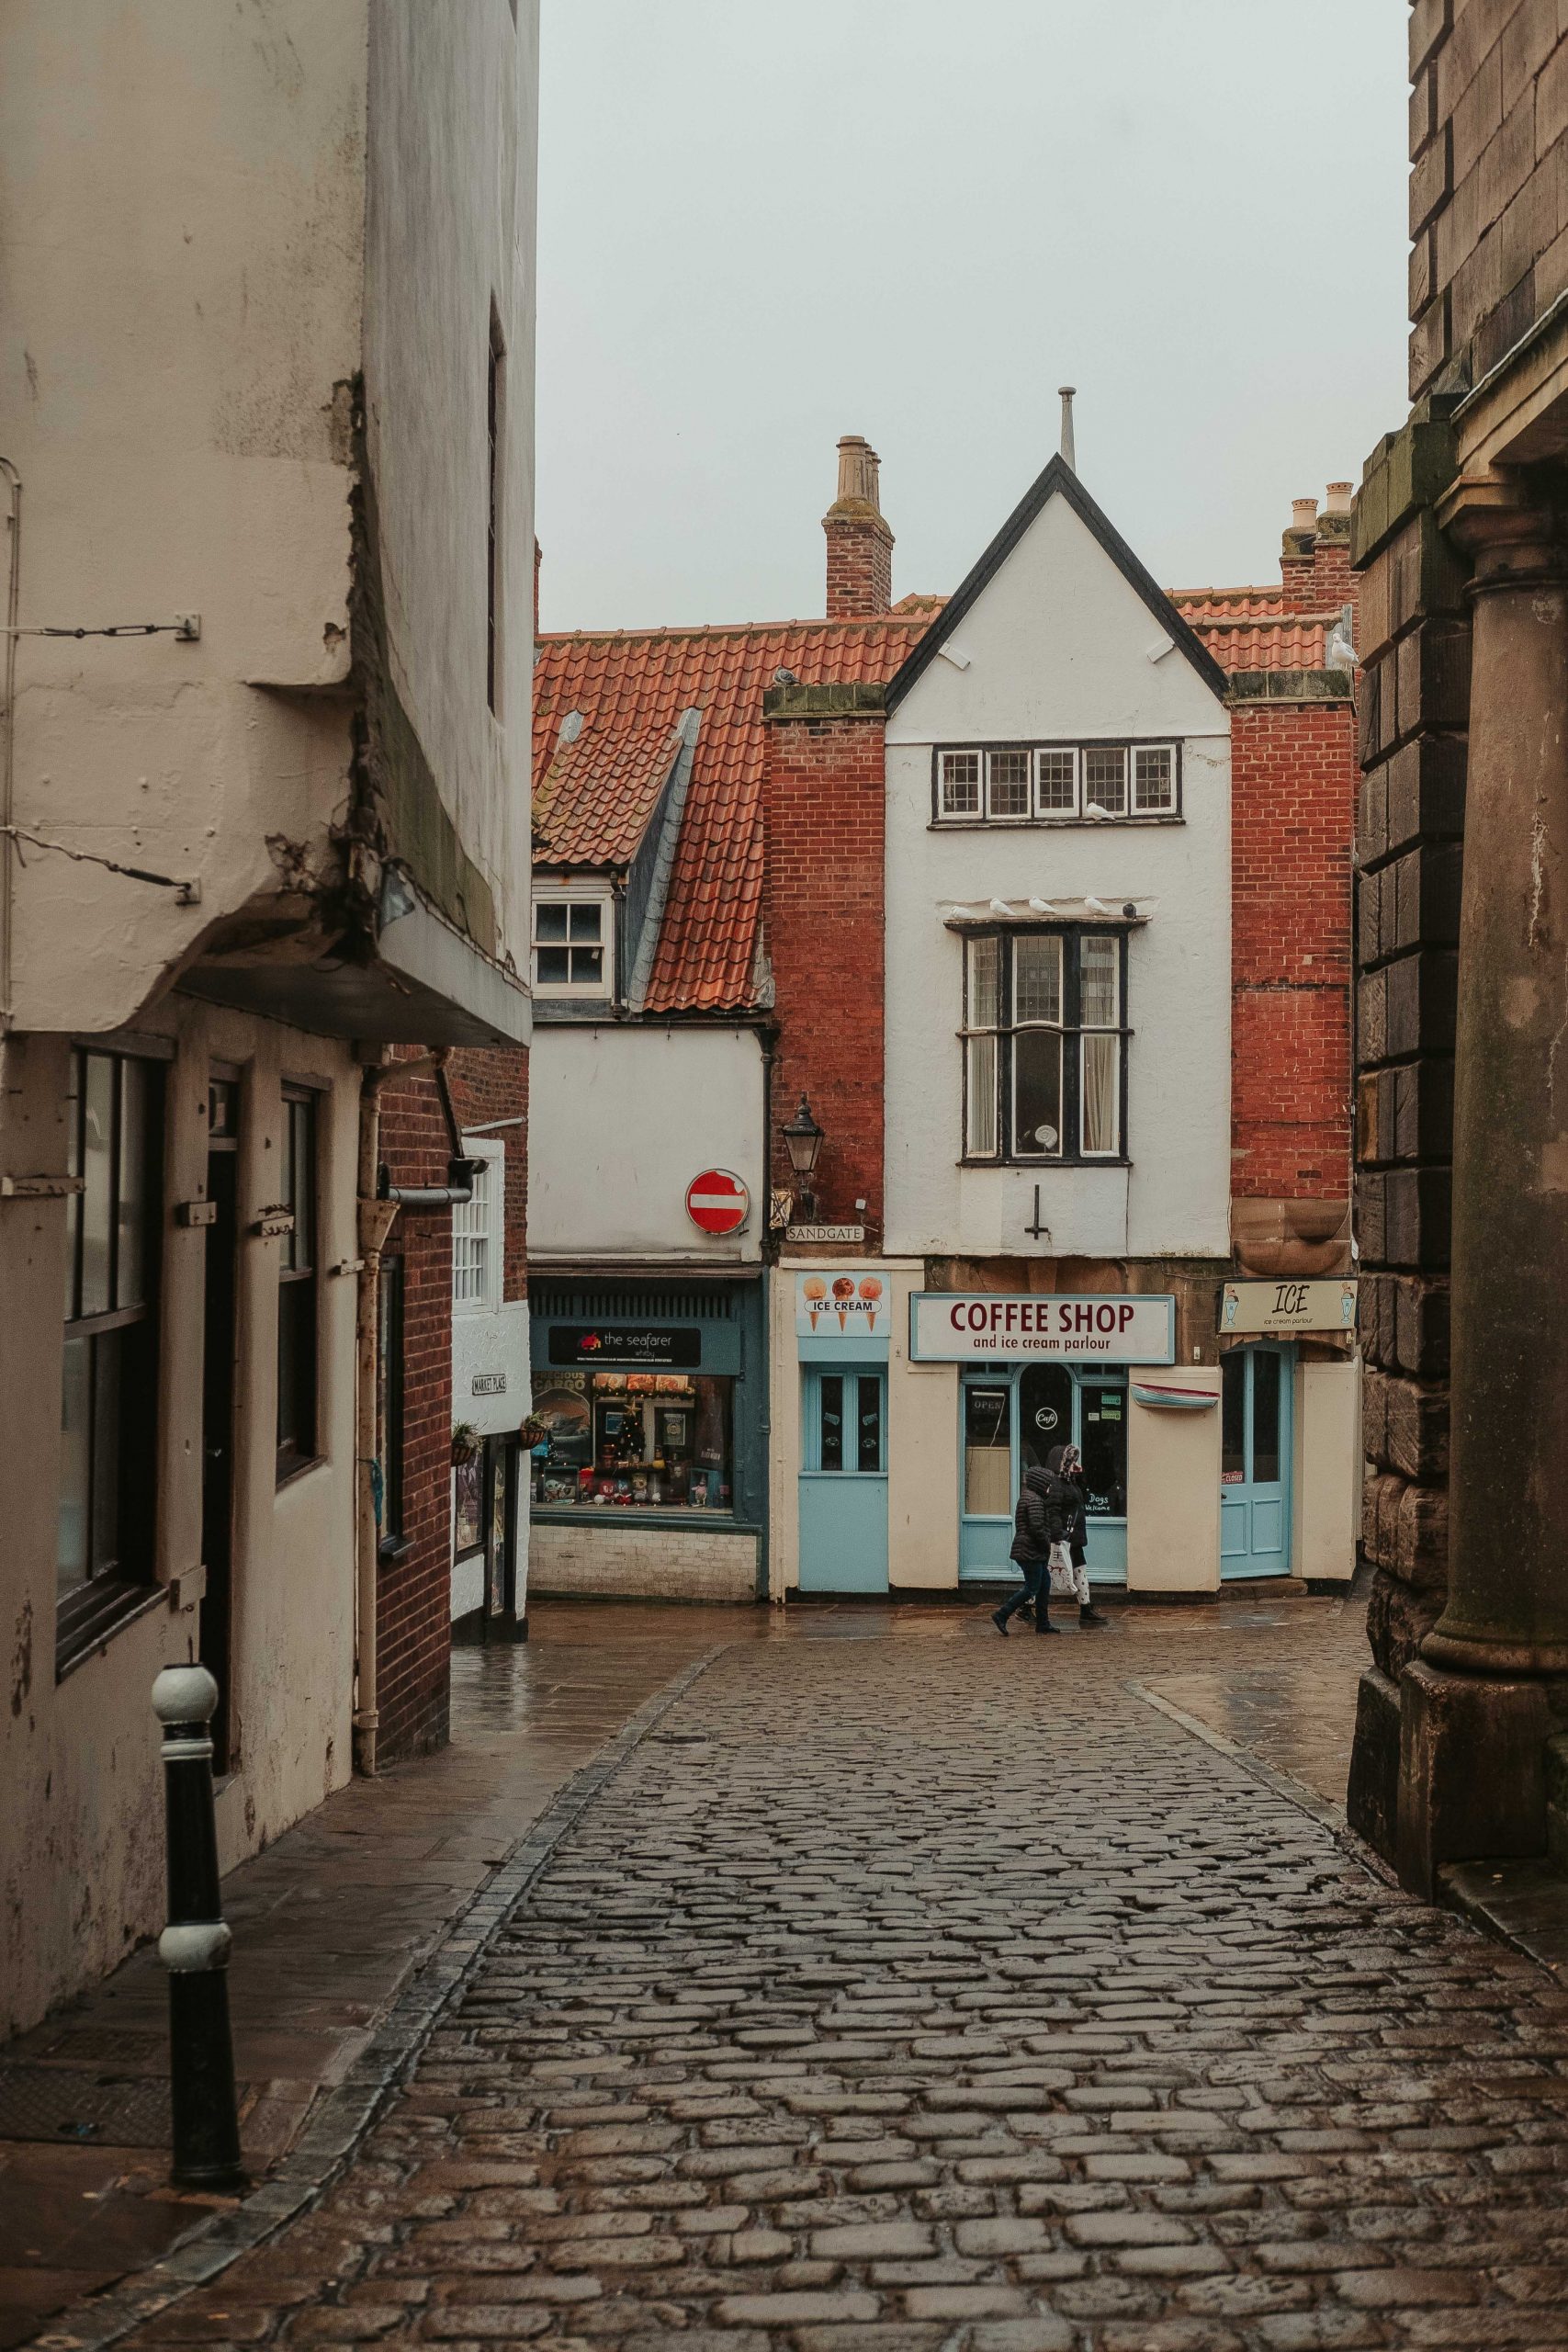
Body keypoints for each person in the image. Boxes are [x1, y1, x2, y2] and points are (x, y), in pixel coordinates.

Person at [1043, 1443, 1111, 1630]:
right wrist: (1057, 1537)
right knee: (1047, 1574)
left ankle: (1086, 1609)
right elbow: (1053, 1511)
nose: (1074, 1464)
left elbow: (1082, 1495)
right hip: (1064, 1537)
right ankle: (1027, 1606)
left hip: (1073, 1537)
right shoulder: (1056, 1484)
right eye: (1072, 1461)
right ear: (1062, 1462)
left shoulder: (1069, 1481)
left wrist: (1079, 1475)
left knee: (1079, 1570)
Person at [992, 1460, 1064, 1635]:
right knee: (1031, 1588)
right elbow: (1037, 1528)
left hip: (1031, 1551)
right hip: (1030, 1551)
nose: (1049, 1488)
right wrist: (1047, 1546)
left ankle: (1043, 1623)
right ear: (1040, 1483)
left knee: (1044, 1586)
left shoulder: (1029, 1496)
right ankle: (1002, 1614)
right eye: (1048, 1485)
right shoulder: (1035, 1500)